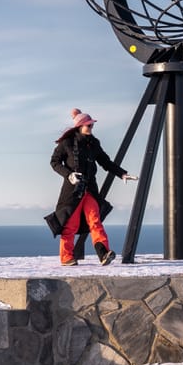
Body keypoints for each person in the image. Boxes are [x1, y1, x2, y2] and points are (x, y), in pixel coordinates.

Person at [46, 108, 136, 266]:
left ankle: (104, 254)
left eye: (92, 125)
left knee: (95, 220)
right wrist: (69, 175)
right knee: (71, 224)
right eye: (88, 125)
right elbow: (54, 162)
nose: (91, 127)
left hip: (90, 190)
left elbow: (105, 162)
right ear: (80, 126)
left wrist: (122, 174)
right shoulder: (66, 143)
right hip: (72, 192)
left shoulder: (94, 143)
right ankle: (66, 258)